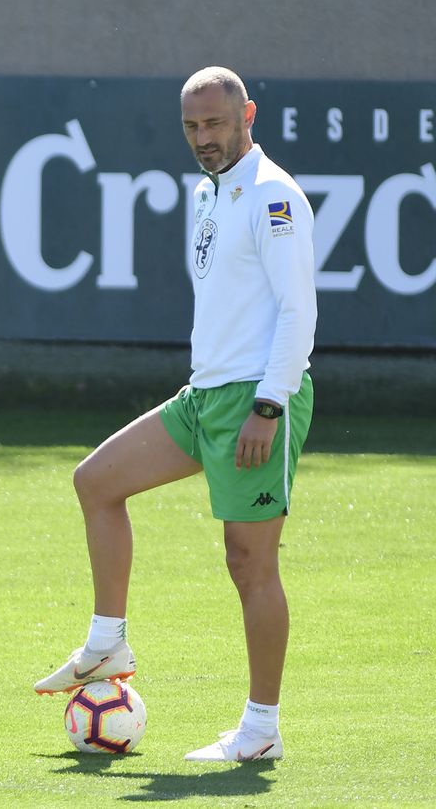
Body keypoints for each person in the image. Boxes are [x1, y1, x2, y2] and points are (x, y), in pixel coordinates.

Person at [35, 67, 316, 763]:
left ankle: (261, 729)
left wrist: (268, 406)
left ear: (247, 115)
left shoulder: (274, 194)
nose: (203, 138)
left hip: (257, 400)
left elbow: (298, 310)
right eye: (191, 126)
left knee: (249, 564)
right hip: (204, 397)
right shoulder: (207, 191)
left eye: (215, 123)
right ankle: (108, 643)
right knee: (96, 481)